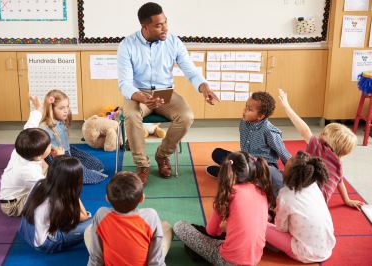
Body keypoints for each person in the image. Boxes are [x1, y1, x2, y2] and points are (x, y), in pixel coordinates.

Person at [117, 2, 219, 183]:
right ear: (145, 27)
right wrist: (142, 97)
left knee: (186, 116)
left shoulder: (173, 41)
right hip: (138, 93)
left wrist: (204, 87)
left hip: (165, 92)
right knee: (131, 115)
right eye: (158, 25)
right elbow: (125, 83)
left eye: (165, 22)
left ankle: (162, 155)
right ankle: (142, 164)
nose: (165, 28)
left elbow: (190, 70)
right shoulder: (127, 45)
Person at [174, 151, 273, 266]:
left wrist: (221, 230)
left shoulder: (229, 193)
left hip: (227, 261)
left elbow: (211, 231)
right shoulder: (261, 191)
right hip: (254, 260)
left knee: (179, 226)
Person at [278, 89, 364, 209]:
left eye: (324, 133)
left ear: (329, 140)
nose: (320, 134)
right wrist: (347, 199)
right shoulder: (338, 164)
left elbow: (305, 130)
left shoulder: (319, 149)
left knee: (276, 175)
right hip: (320, 205)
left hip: (302, 198)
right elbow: (340, 182)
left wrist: (287, 106)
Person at [206, 91, 290, 199]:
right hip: (246, 160)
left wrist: (292, 175)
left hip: (263, 166)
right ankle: (234, 175)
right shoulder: (244, 122)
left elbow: (284, 153)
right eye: (246, 106)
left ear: (260, 116)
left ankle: (229, 175)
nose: (245, 111)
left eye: (250, 109)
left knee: (260, 178)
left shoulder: (269, 131)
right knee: (217, 153)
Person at [84, 171, 173, 266]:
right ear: (142, 198)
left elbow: (95, 259)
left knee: (89, 230)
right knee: (166, 227)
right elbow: (156, 262)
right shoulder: (151, 215)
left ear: (107, 198)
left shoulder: (101, 214)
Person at [266, 151, 336, 263]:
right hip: (327, 247)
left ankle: (272, 245)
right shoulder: (314, 186)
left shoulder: (285, 194)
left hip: (305, 253)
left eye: (285, 166)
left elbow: (281, 228)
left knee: (260, 225)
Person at [19, 156, 92, 253]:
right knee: (96, 223)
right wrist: (73, 192)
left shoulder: (40, 183)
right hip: (46, 243)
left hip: (28, 233)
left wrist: (71, 190)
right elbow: (84, 217)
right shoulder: (56, 201)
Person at [40, 89, 107, 184]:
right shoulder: (45, 127)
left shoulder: (60, 120)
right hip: (57, 156)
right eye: (61, 108)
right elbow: (42, 149)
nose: (66, 111)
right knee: (83, 174)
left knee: (97, 165)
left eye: (67, 106)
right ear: (51, 109)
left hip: (67, 151)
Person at [0, 96, 52, 216]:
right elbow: (49, 190)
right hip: (14, 205)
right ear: (38, 156)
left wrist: (38, 107)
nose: (51, 145)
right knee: (53, 199)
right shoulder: (29, 171)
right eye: (49, 145)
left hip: (17, 190)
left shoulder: (25, 143)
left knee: (49, 167)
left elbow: (32, 123)